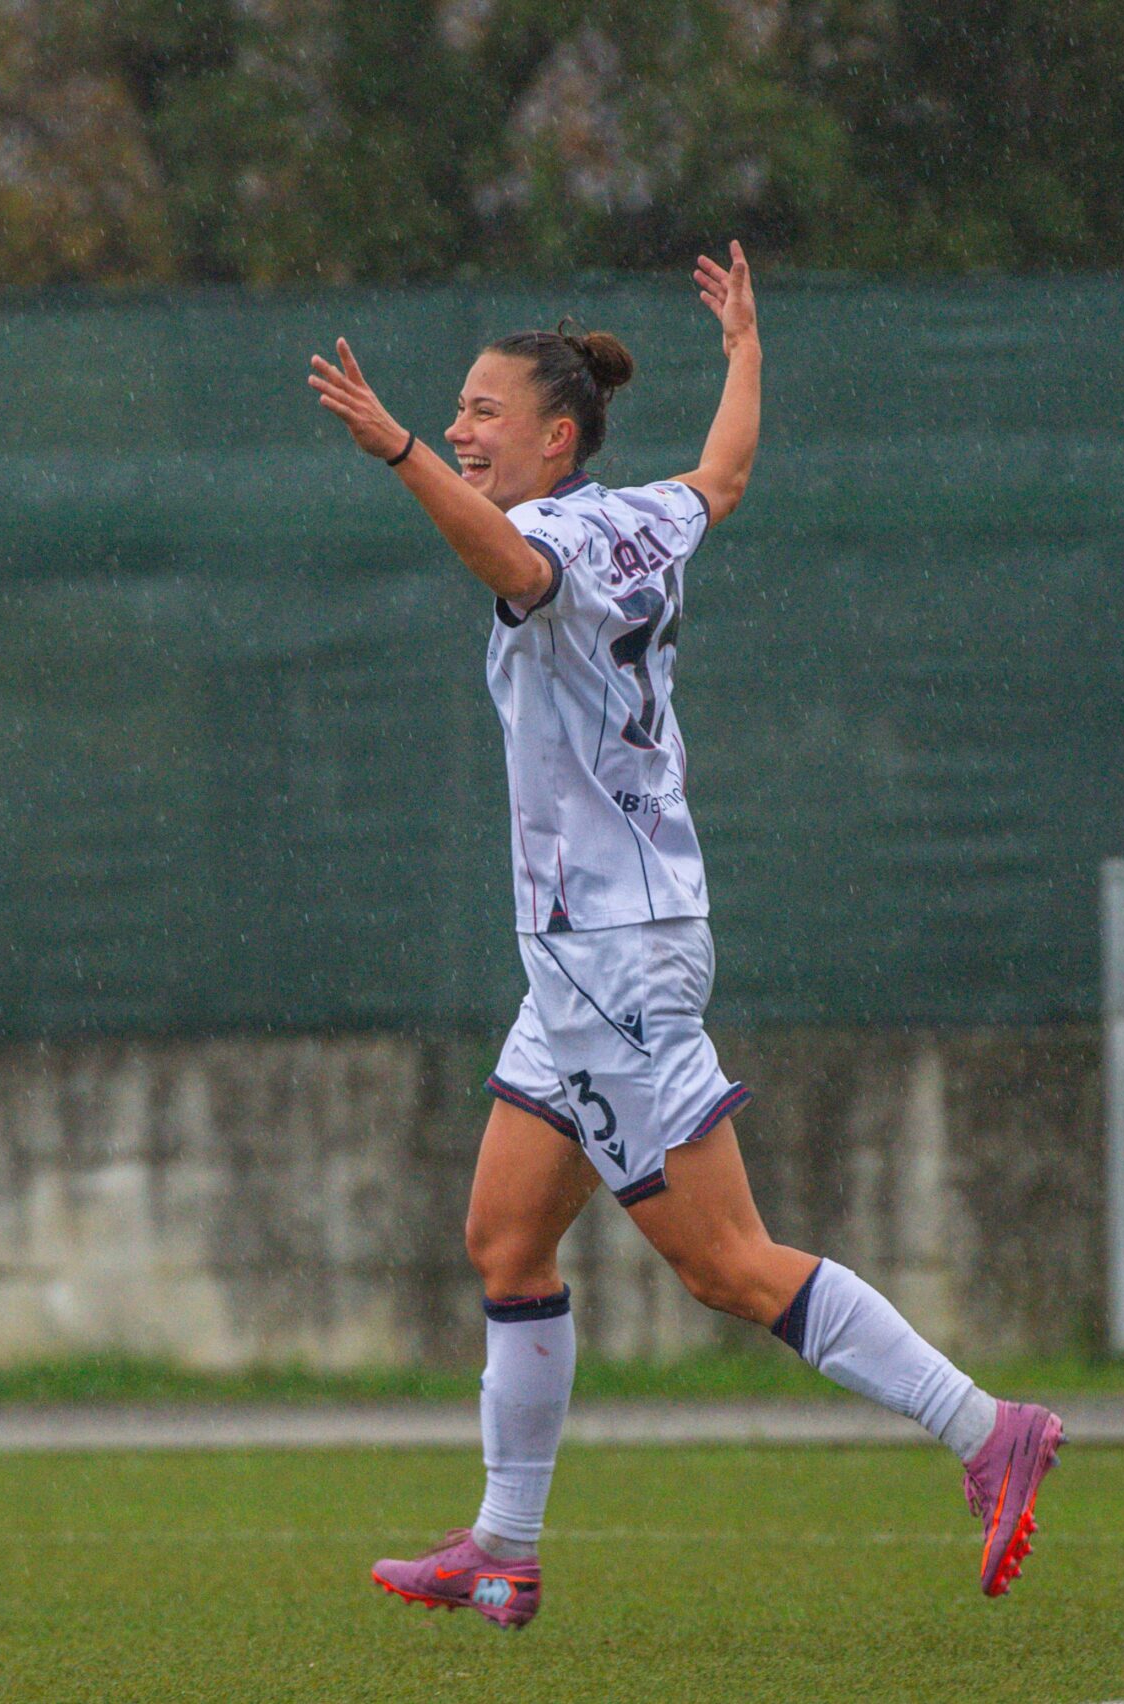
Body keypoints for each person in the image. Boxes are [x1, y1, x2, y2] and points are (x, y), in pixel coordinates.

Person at [305, 242, 1064, 1631]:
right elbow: (724, 476)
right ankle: (504, 1548)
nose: (464, 427)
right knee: (504, 1241)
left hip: (613, 959)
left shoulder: (565, 544)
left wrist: (398, 450)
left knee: (725, 1264)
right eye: (453, 410)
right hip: (594, 954)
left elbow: (505, 558)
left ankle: (985, 1430)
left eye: (483, 412)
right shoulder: (649, 513)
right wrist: (746, 354)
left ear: (555, 437)